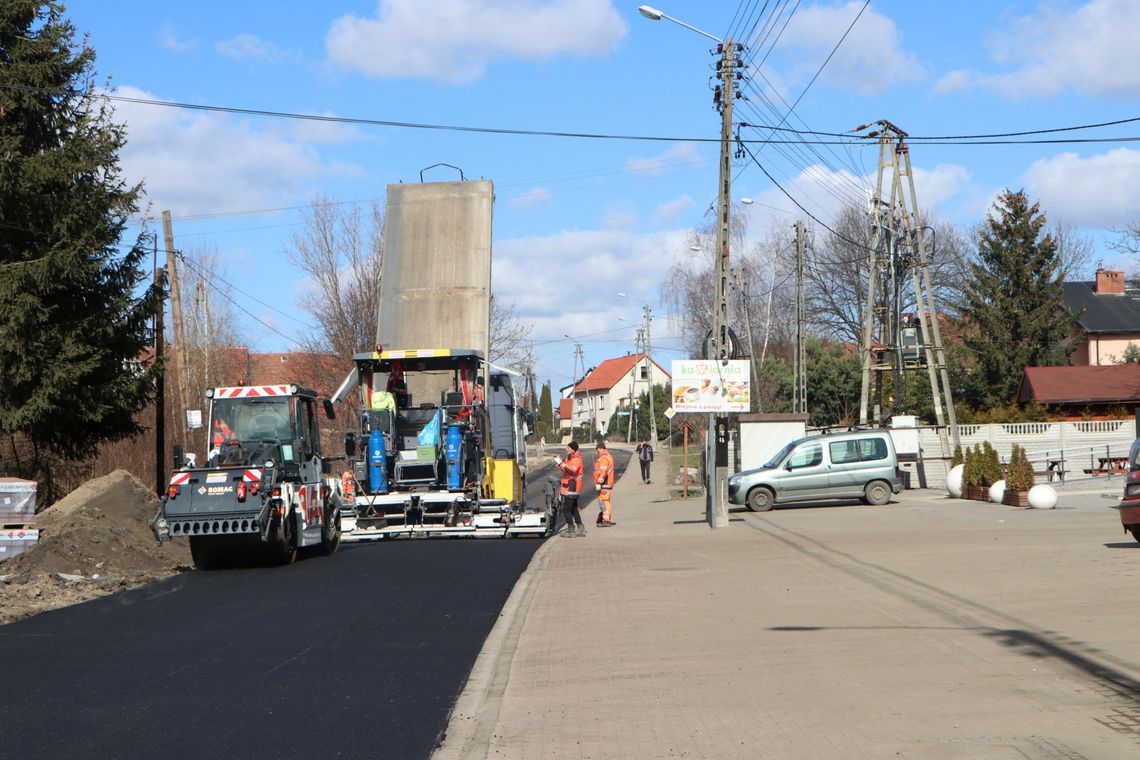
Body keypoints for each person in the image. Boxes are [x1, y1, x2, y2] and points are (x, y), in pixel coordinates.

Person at [555, 441, 586, 537]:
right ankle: (580, 527)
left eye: (568, 448)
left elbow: (572, 470)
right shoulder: (570, 458)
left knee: (566, 509)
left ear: (573, 449)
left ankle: (571, 529)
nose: (566, 449)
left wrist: (562, 463)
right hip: (569, 487)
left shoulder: (576, 459)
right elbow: (566, 470)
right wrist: (561, 464)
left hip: (572, 487)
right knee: (573, 509)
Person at [594, 440, 616, 527]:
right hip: (607, 483)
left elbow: (603, 472)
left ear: (602, 449)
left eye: (598, 450)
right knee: (606, 502)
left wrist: (599, 482)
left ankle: (606, 520)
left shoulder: (604, 459)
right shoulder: (608, 457)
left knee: (604, 502)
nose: (598, 452)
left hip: (604, 484)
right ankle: (606, 519)